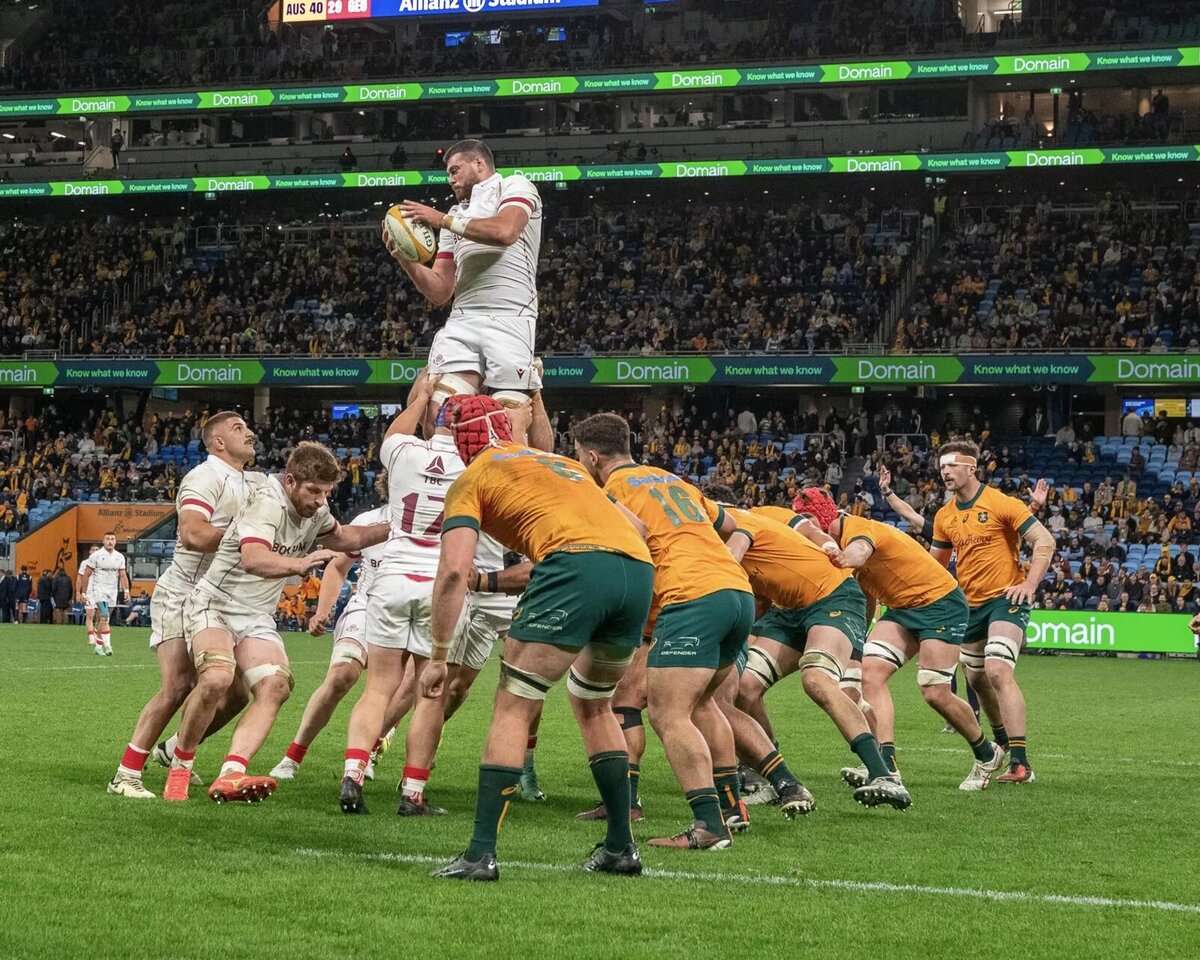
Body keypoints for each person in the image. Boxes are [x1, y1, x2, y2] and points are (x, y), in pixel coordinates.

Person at [424, 396, 653, 881]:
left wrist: (439, 656)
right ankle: (620, 847)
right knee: (595, 704)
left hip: (576, 563)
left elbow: (452, 573)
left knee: (515, 703)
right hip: (635, 569)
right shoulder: (560, 463)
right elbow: (637, 526)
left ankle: (480, 853)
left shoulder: (472, 479)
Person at [162, 442, 389, 803]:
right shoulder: (267, 502)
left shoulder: (316, 510)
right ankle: (179, 768)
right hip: (215, 604)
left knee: (276, 687)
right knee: (217, 679)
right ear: (290, 481)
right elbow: (253, 558)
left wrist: (400, 528)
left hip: (255, 615)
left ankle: (232, 773)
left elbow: (347, 537)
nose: (319, 500)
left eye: (326, 493)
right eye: (313, 491)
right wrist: (299, 565)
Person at [574, 413, 756, 847]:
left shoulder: (609, 492)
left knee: (667, 714)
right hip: (736, 594)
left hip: (690, 598)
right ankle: (731, 807)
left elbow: (633, 535)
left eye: (579, 457)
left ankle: (709, 826)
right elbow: (736, 525)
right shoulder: (671, 480)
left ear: (593, 457)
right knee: (702, 705)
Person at [793, 488, 1005, 792]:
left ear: (825, 517)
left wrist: (841, 558)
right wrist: (857, 640)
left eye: (809, 520)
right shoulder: (838, 542)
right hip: (902, 608)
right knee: (871, 674)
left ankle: (987, 753)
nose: (806, 530)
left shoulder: (856, 529)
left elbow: (860, 552)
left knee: (934, 691)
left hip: (939, 603)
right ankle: (887, 764)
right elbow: (865, 594)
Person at [108, 412, 263, 799]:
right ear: (217, 443)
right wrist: (249, 541)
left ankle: (176, 750)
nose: (251, 433)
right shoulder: (204, 477)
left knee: (239, 691)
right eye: (238, 428)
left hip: (225, 597)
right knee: (178, 686)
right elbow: (193, 533)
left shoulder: (253, 483)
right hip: (186, 591)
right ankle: (126, 774)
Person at [722, 497, 911, 810]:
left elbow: (807, 531)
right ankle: (772, 777)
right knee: (743, 688)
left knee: (816, 679)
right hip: (788, 611)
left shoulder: (748, 520)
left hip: (832, 597)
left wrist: (828, 545)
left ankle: (884, 774)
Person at [929, 442, 1056, 784]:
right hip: (969, 605)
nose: (945, 472)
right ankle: (1001, 745)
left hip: (1007, 596)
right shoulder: (944, 516)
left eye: (952, 465)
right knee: (977, 679)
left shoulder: (1000, 503)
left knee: (998, 670)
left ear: (971, 469)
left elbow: (1044, 541)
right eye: (941, 466)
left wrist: (1029, 584)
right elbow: (935, 568)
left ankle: (1021, 763)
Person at [386, 139, 544, 410]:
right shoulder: (455, 215)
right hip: (463, 319)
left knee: (512, 419)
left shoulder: (515, 186)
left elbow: (506, 231)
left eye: (455, 170)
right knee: (436, 408)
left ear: (479, 163)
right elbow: (440, 291)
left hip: (511, 316)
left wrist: (441, 220)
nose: (450, 179)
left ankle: (535, 394)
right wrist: (404, 259)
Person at [271, 483, 391, 784]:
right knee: (341, 676)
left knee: (396, 689)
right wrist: (323, 610)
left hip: (412, 615)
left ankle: (367, 752)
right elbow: (338, 567)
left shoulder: (436, 524)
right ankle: (292, 756)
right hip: (367, 605)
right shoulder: (368, 522)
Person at [77, 534, 130, 656]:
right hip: (98, 590)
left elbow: (122, 575)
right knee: (105, 615)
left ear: (116, 541)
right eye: (107, 539)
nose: (110, 542)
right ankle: (108, 646)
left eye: (112, 539)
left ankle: (99, 646)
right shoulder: (96, 556)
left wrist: (126, 590)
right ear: (103, 541)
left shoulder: (120, 557)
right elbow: (86, 574)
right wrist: (83, 592)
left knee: (104, 619)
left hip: (112, 591)